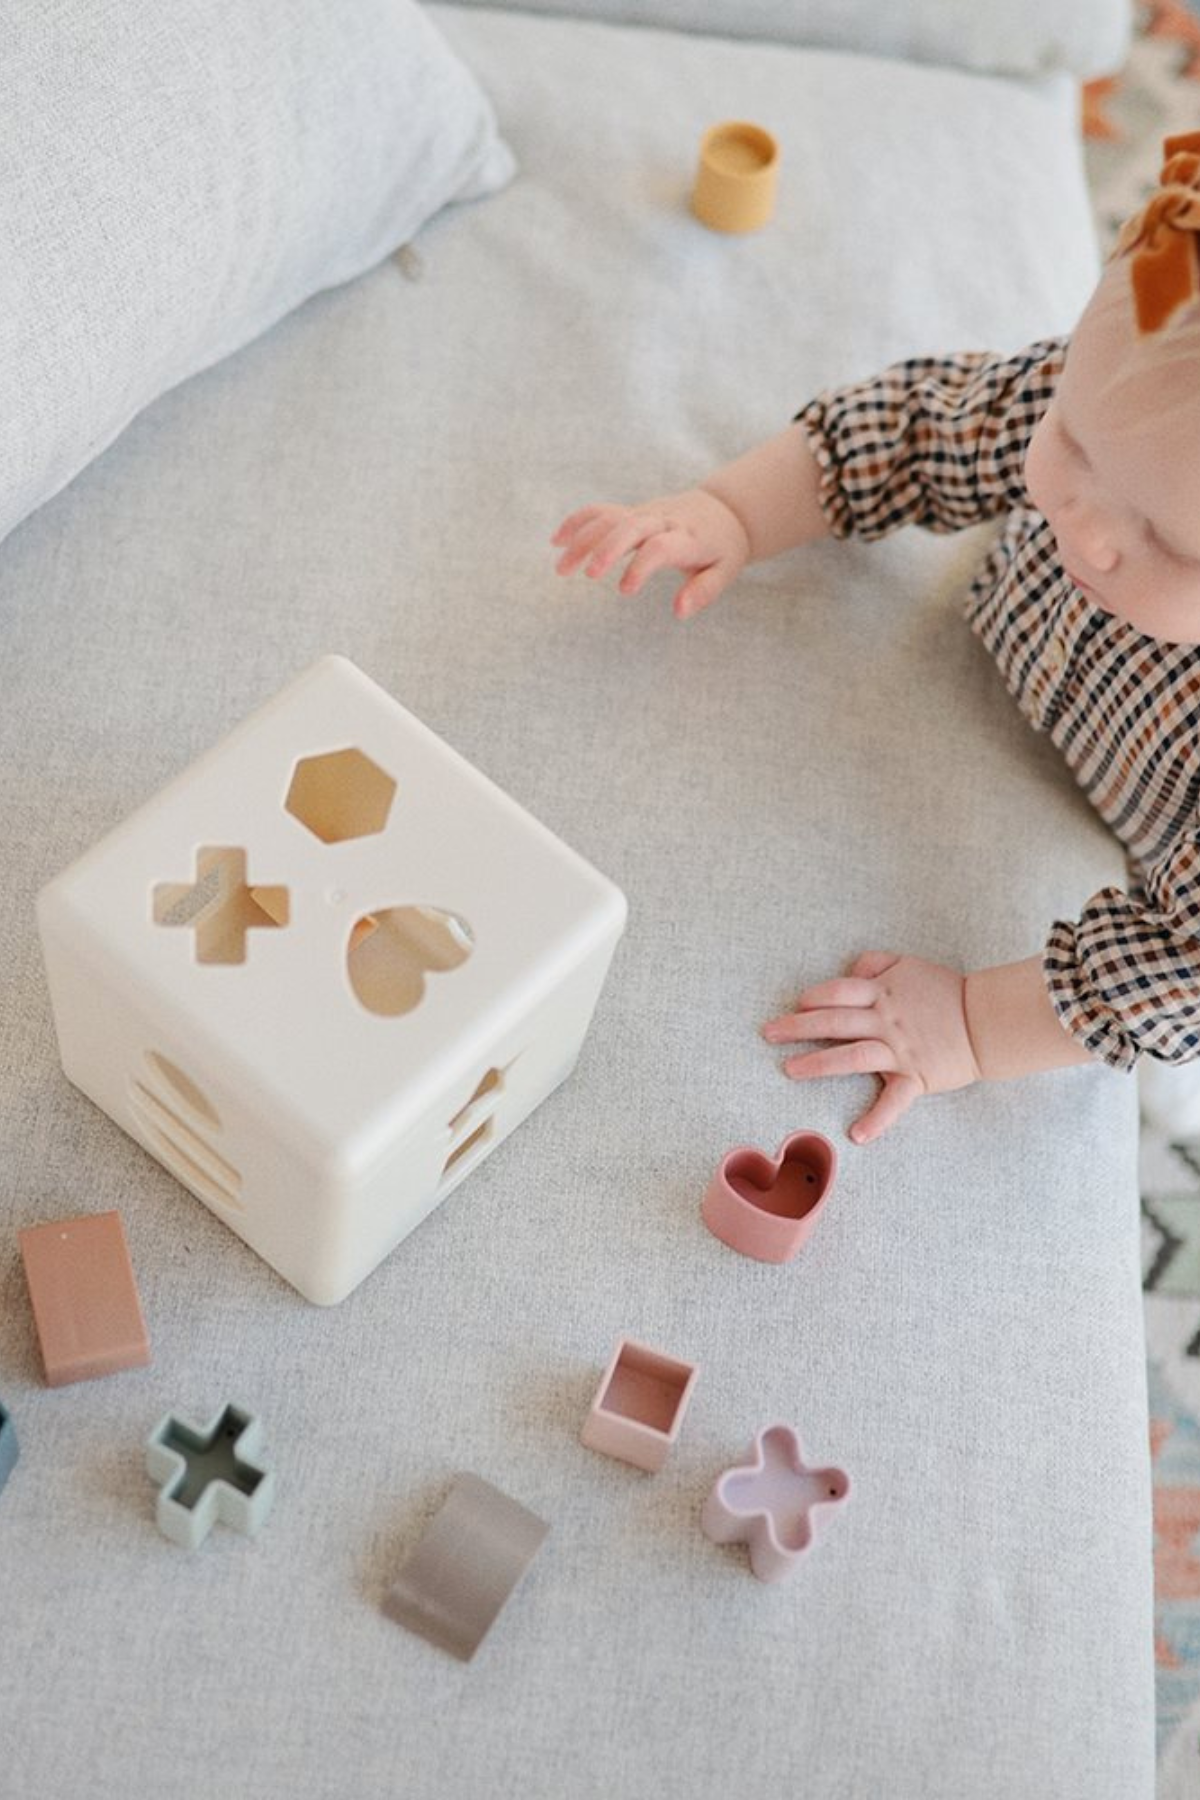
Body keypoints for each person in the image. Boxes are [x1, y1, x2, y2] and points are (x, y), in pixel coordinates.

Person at [552, 133, 1200, 1146]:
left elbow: (1180, 967)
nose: (1090, 527)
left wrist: (976, 1029)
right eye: (1071, 439)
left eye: (1168, 542)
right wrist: (733, 512)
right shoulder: (1118, 404)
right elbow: (913, 430)